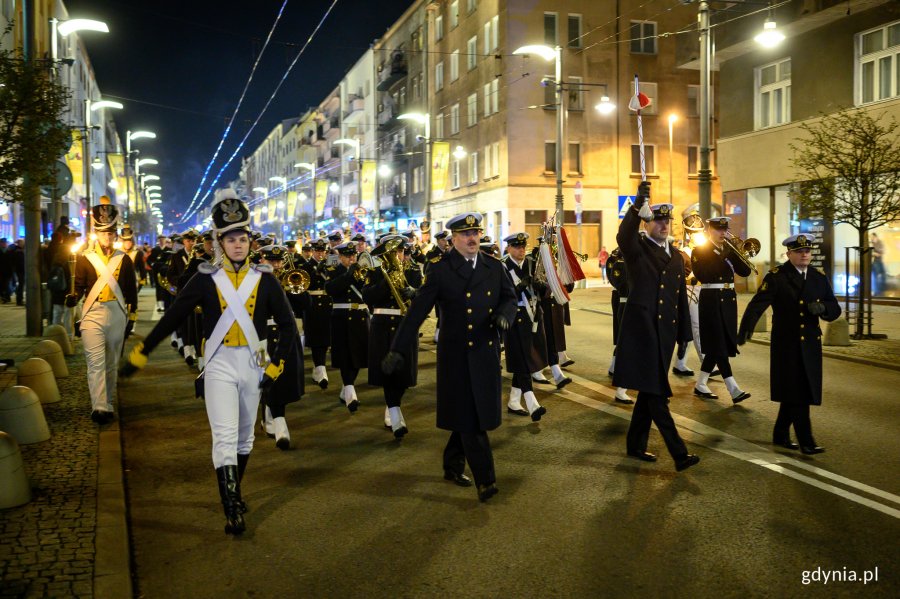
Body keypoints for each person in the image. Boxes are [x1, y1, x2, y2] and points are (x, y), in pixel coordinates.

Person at [120, 194, 296, 535]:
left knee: (245, 440)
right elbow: (173, 317)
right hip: (218, 363)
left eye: (243, 238)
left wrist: (277, 366)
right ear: (219, 241)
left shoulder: (266, 279)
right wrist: (142, 352)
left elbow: (287, 326)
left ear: (250, 241)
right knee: (225, 437)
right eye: (231, 238)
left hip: (254, 362)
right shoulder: (205, 278)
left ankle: (235, 491)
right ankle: (231, 509)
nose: (238, 244)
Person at [382, 212, 517, 501]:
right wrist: (397, 349)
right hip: (456, 358)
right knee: (473, 420)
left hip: (485, 353)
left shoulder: (494, 266)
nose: (472, 238)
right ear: (453, 239)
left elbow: (509, 297)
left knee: (470, 414)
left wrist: (505, 315)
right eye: (465, 234)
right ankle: (486, 480)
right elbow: (417, 312)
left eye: (475, 233)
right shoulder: (440, 270)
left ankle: (452, 463)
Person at [613, 183, 699, 472]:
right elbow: (624, 235)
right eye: (658, 220)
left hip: (663, 335)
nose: (663, 225)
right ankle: (680, 453)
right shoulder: (637, 250)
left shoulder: (676, 257)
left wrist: (684, 335)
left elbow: (678, 297)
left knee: (649, 393)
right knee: (657, 395)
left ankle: (635, 445)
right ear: (647, 223)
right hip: (642, 333)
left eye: (667, 221)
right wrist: (638, 203)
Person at [737, 234, 841, 454]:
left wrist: (823, 308)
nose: (805, 255)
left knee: (796, 391)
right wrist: (745, 328)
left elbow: (835, 307)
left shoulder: (818, 277)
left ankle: (780, 433)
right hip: (787, 344)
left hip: (811, 344)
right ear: (789, 254)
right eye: (799, 251)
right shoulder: (777, 276)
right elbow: (758, 304)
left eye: (807, 251)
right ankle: (807, 441)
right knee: (798, 393)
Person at [66, 198, 139, 423]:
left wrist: (131, 319)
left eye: (111, 233)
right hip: (93, 313)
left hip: (117, 313)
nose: (107, 237)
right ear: (96, 234)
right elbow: (78, 285)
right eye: (103, 233)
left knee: (110, 364)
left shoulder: (124, 260)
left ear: (116, 234)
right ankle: (99, 407)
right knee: (95, 362)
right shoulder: (85, 258)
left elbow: (130, 292)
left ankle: (107, 402)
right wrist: (73, 297)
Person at [362, 235, 422, 436]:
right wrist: (385, 284)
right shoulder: (376, 271)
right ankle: (395, 413)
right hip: (382, 325)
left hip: (405, 325)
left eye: (400, 252)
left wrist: (414, 292)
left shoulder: (413, 271)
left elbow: (425, 294)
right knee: (387, 372)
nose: (397, 256)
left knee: (404, 374)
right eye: (394, 252)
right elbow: (367, 296)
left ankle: (392, 406)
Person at [690, 217, 752, 403]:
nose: (723, 233)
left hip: (728, 300)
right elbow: (703, 274)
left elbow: (745, 272)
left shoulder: (729, 250)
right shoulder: (699, 251)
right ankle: (733, 388)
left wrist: (737, 255)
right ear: (709, 231)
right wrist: (723, 256)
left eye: (725, 230)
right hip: (711, 299)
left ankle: (701, 384)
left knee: (720, 343)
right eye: (718, 230)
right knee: (719, 344)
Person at [257, 244, 305, 449]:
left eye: (279, 261)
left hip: (286, 336)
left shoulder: (288, 279)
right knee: (267, 377)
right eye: (271, 261)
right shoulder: (254, 281)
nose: (276, 265)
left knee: (283, 379)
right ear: (262, 260)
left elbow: (305, 307)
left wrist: (295, 291)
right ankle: (279, 425)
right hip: (263, 337)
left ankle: (272, 418)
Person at [501, 232, 548, 420]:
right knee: (522, 360)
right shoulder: (503, 267)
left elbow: (540, 287)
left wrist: (541, 286)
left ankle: (514, 400)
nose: (521, 250)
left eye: (523, 246)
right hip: (514, 319)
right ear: (509, 248)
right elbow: (500, 294)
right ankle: (532, 403)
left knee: (525, 358)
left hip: (532, 317)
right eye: (517, 247)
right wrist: (519, 287)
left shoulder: (530, 263)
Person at [324, 242, 370, 413]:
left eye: (354, 256)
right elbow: (330, 289)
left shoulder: (362, 272)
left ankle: (346, 389)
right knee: (345, 355)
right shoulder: (333, 271)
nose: (352, 259)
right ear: (341, 257)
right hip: (341, 318)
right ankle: (350, 392)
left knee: (358, 356)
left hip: (359, 317)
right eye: (348, 256)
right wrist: (347, 276)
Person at [300, 239, 333, 388]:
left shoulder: (330, 266)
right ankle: (320, 368)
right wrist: (315, 271)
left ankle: (318, 367)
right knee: (315, 338)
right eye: (318, 251)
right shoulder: (305, 266)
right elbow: (304, 286)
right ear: (313, 251)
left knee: (325, 338)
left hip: (327, 304)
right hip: (312, 305)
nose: (320, 254)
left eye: (323, 251)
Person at [605, 247, 634, 404]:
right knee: (625, 342)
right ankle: (621, 386)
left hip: (639, 306)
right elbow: (619, 284)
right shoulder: (619, 262)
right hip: (625, 303)